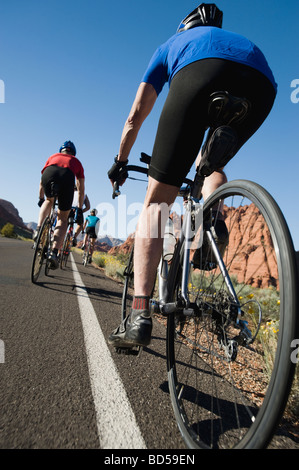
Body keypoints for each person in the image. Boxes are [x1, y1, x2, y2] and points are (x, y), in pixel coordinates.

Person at [107, 3, 277, 349]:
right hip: (261, 83)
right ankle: (209, 216)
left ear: (184, 26)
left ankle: (139, 314)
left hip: (201, 73)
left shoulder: (172, 44)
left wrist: (120, 161)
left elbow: (135, 116)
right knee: (209, 163)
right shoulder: (235, 39)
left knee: (156, 204)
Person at [34, 140, 85, 269]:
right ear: (73, 152)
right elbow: (81, 189)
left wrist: (41, 198)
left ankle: (38, 230)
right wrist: (79, 209)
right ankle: (54, 252)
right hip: (67, 176)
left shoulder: (52, 157)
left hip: (49, 173)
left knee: (48, 200)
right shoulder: (76, 162)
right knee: (63, 218)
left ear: (61, 150)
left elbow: (41, 182)